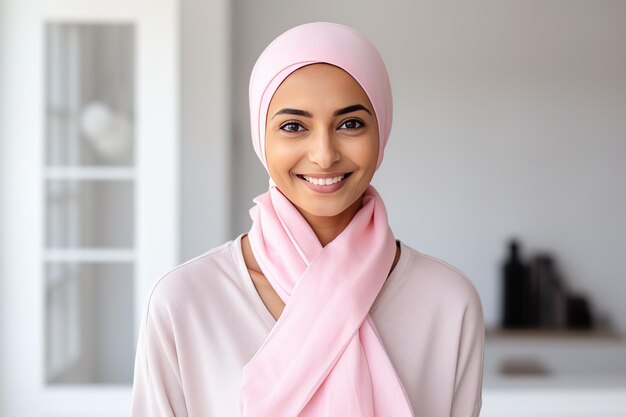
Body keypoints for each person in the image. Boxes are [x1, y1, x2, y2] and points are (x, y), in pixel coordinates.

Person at [130, 21, 484, 417]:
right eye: (293, 126)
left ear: (382, 129)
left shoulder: (448, 302)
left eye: (350, 124)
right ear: (260, 136)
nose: (324, 154)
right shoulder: (186, 302)